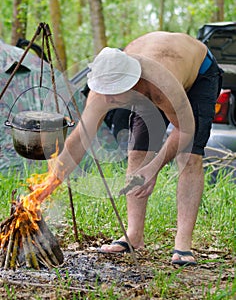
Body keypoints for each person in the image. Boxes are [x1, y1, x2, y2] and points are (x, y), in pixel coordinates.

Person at [30, 31, 223, 266]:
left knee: (189, 155)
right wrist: (46, 187)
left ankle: (183, 243)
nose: (109, 100)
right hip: (151, 69)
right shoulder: (102, 89)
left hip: (199, 72)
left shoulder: (161, 85)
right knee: (137, 154)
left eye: (115, 94)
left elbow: (185, 130)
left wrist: (154, 168)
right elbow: (80, 138)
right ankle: (134, 235)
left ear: (132, 83)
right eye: (106, 93)